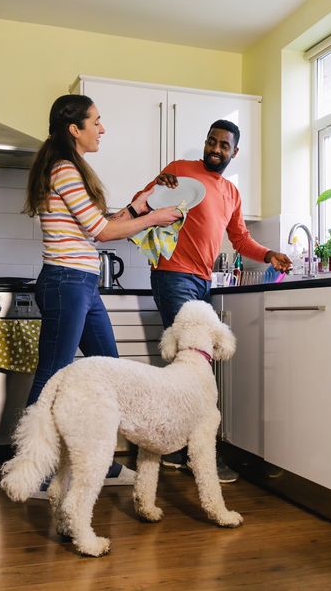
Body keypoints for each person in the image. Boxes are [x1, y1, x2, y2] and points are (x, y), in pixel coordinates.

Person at [24, 94, 182, 496]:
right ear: (74, 129)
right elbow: (101, 232)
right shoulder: (64, 169)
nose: (102, 128)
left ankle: (102, 462)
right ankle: (36, 471)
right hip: (66, 281)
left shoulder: (73, 168)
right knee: (52, 375)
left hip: (81, 283)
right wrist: (156, 218)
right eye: (96, 121)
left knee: (109, 370)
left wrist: (138, 205)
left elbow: (99, 224)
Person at [131, 119, 292, 483]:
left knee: (190, 368)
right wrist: (160, 187)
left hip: (202, 282)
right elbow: (140, 206)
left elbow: (240, 239)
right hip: (173, 276)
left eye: (224, 146)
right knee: (194, 368)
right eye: (211, 142)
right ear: (205, 142)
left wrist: (269, 255)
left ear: (234, 152)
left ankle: (176, 450)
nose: (215, 150)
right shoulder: (179, 172)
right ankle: (192, 453)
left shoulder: (231, 193)